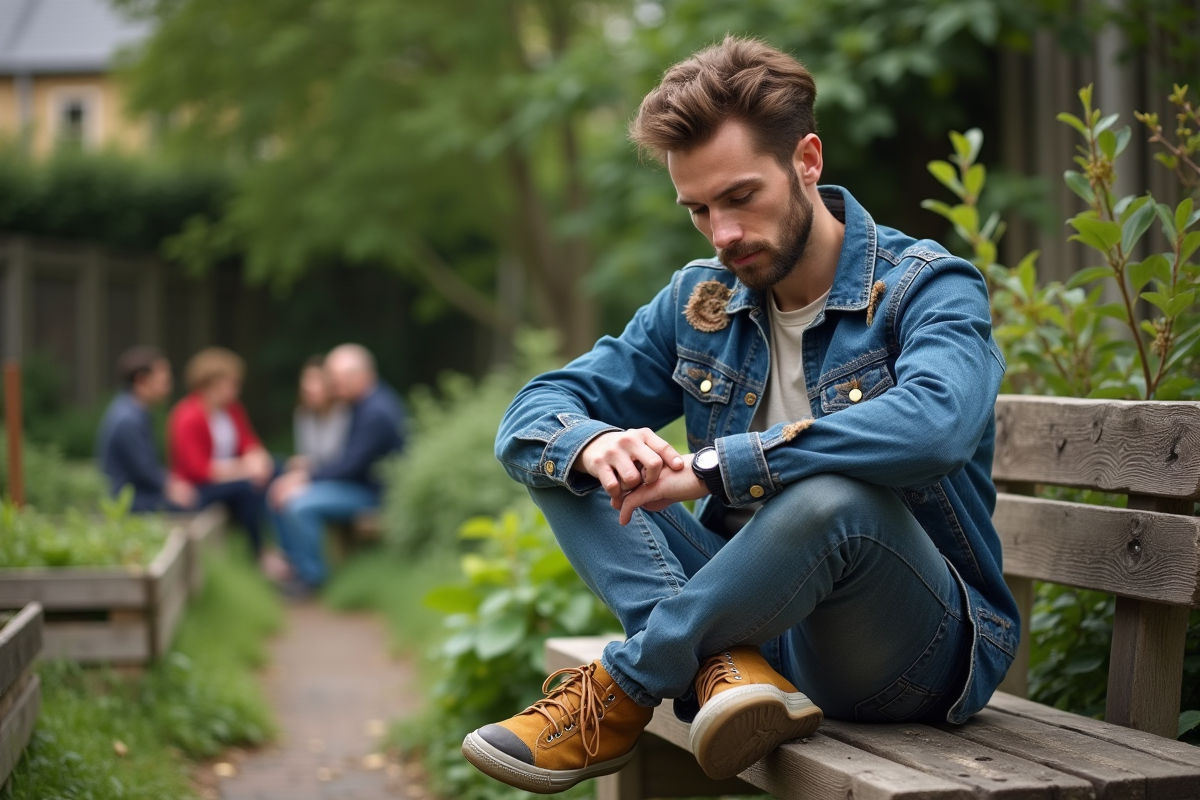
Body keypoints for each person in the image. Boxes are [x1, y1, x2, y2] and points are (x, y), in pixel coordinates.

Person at [464, 36, 1017, 793]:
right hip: (756, 640)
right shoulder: (703, 301)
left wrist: (719, 467)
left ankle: (624, 689)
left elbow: (937, 425)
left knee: (832, 498)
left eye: (740, 197)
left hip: (909, 649)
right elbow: (530, 415)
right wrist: (593, 446)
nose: (722, 234)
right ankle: (724, 665)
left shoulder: (926, 288)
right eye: (698, 209)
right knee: (571, 463)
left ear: (807, 161)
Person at [269, 344, 405, 595]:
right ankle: (297, 568)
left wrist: (306, 478)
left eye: (337, 381)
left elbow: (351, 466)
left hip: (374, 494)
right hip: (359, 486)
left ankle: (312, 578)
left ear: (359, 376)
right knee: (286, 493)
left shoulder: (375, 411)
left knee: (299, 505)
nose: (333, 387)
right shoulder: (365, 403)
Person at [168, 347, 274, 557]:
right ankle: (259, 552)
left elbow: (249, 442)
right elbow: (198, 470)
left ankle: (280, 549)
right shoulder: (187, 415)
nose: (237, 389)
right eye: (232, 383)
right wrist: (245, 468)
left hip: (228, 479)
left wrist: (261, 460)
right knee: (249, 487)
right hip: (198, 489)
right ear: (212, 383)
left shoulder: (232, 409)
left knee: (276, 469)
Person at [96, 346, 197, 512]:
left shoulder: (130, 410)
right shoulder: (128, 419)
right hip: (128, 502)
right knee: (197, 503)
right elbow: (145, 472)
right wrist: (172, 486)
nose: (170, 383)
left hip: (136, 495)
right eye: (164, 379)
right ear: (141, 380)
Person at [290, 355, 351, 474]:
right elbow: (304, 456)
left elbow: (342, 461)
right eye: (306, 380)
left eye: (315, 380)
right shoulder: (302, 414)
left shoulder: (344, 412)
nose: (307, 387)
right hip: (314, 476)